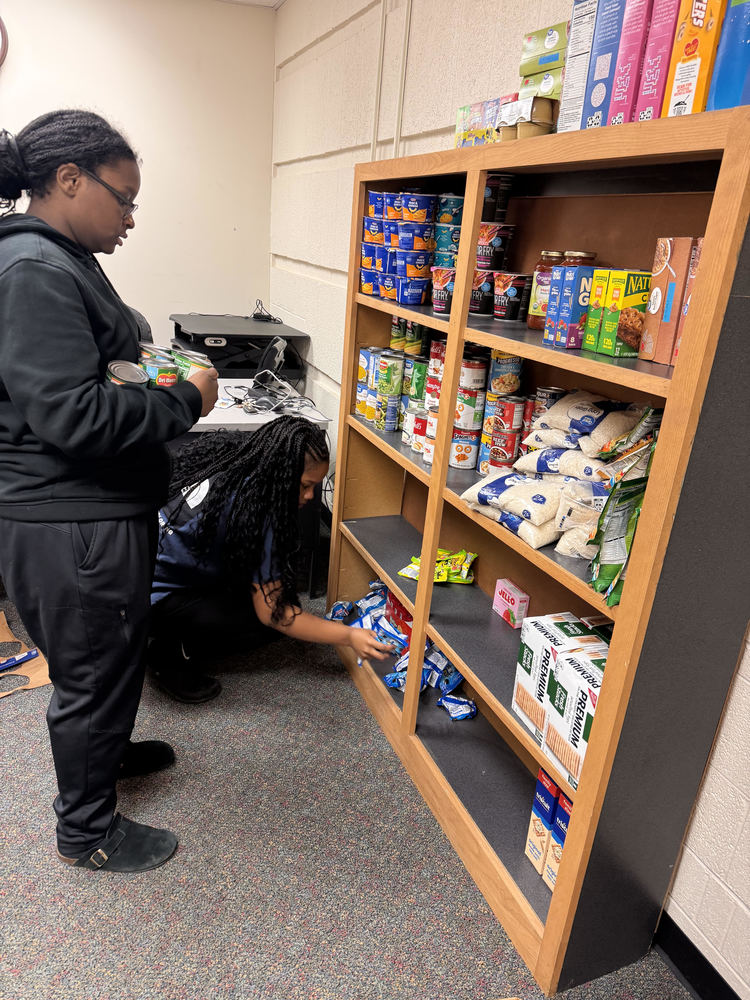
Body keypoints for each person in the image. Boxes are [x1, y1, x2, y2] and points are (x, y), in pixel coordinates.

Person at [0, 111, 219, 873]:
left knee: (112, 654)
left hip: (91, 510)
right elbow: (73, 415)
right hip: (71, 516)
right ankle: (86, 831)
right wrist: (189, 399)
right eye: (122, 199)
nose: (130, 217)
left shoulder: (65, 256)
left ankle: (108, 756)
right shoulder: (33, 269)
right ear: (68, 180)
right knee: (93, 670)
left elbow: (103, 349)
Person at [149, 418, 392, 701]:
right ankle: (168, 652)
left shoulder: (236, 458)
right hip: (151, 603)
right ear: (281, 474)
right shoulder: (261, 513)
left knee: (265, 594)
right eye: (304, 486)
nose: (310, 495)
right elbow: (276, 615)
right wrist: (348, 636)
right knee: (268, 623)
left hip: (129, 575)